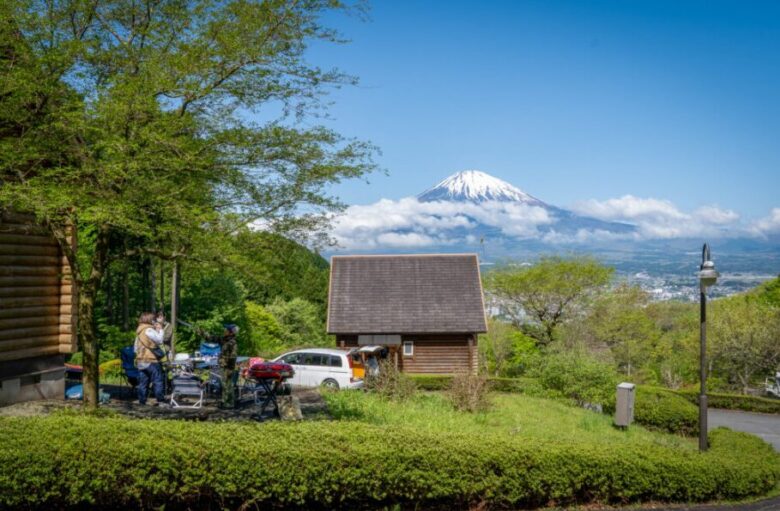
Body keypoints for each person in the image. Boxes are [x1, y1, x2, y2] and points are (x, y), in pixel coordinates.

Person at [134, 311, 167, 406]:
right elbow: (160, 340)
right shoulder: (148, 330)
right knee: (158, 381)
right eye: (153, 319)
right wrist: (160, 330)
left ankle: (142, 401)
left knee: (143, 383)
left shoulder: (139, 331)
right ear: (149, 319)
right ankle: (160, 401)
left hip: (141, 360)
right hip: (151, 360)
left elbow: (135, 348)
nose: (154, 321)